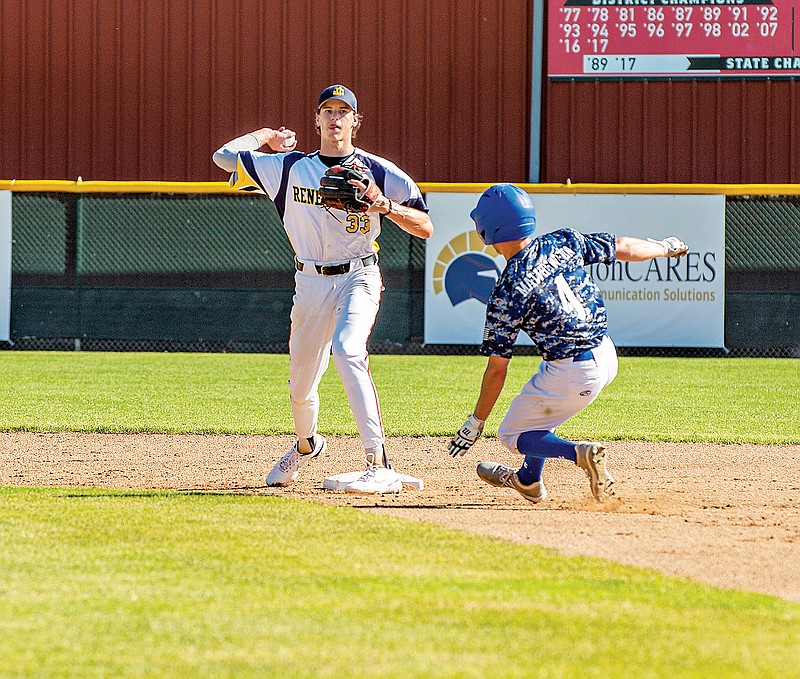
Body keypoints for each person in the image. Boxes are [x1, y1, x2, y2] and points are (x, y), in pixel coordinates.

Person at [213, 84, 433, 494]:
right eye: (327, 111)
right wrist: (266, 137)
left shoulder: (379, 171)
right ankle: (307, 445)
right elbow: (222, 157)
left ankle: (378, 462)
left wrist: (385, 206)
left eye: (343, 112)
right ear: (316, 120)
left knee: (349, 350)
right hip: (309, 282)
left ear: (355, 120)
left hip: (359, 274)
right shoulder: (289, 167)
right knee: (300, 386)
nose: (335, 118)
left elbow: (425, 227)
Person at [448, 183, 688, 503]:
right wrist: (665, 246)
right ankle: (528, 481)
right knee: (539, 410)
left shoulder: (507, 292)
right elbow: (627, 248)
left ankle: (579, 454)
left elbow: (496, 371)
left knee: (513, 434)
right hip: (605, 352)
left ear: (486, 231)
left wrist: (475, 422)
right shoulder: (563, 241)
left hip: (573, 372)